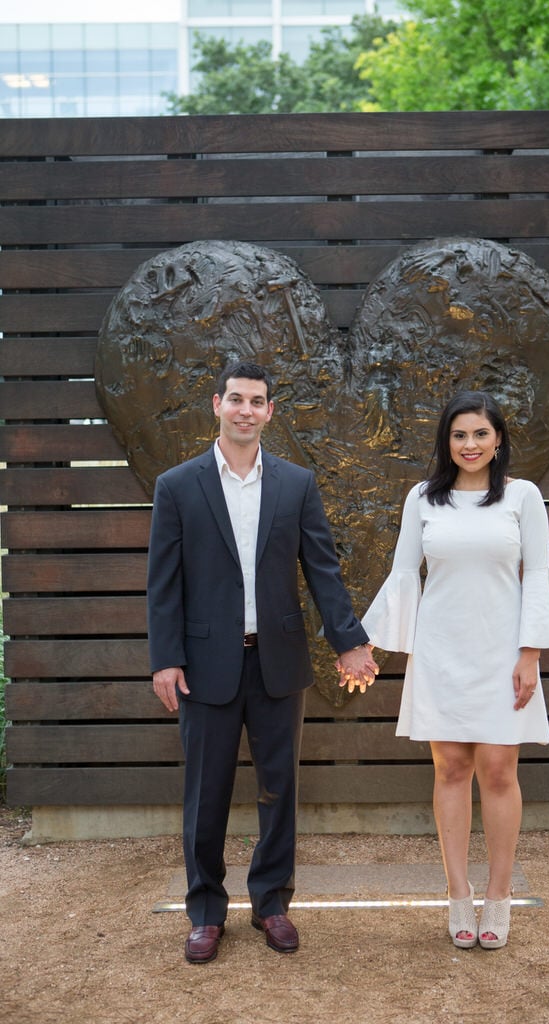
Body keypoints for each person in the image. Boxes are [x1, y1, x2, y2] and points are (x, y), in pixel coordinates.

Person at [148, 360, 378, 963]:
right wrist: (166, 659)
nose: (246, 410)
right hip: (203, 667)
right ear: (217, 405)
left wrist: (350, 640)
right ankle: (205, 911)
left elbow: (322, 571)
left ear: (270, 412)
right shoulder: (178, 485)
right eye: (236, 399)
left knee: (280, 789)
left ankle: (271, 903)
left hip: (278, 662)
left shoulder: (296, 484)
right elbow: (163, 584)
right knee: (206, 794)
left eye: (257, 401)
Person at [357, 390, 549, 950]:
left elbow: (536, 575)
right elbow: (405, 575)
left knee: (499, 770)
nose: (470, 444)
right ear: (446, 442)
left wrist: (531, 653)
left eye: (480, 433)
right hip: (441, 652)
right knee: (451, 768)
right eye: (459, 435)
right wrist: (367, 647)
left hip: (505, 652)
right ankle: (458, 893)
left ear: (498, 438)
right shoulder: (423, 499)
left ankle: (498, 897)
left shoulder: (523, 498)